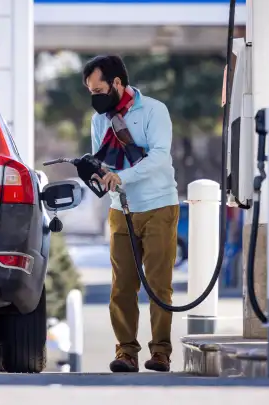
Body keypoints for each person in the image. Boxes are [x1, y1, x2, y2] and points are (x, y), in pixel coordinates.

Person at [83, 55, 179, 373]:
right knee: (122, 285)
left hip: (159, 206)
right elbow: (103, 161)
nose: (95, 97)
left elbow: (160, 158)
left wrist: (122, 176)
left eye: (99, 89)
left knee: (158, 284)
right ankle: (126, 351)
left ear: (118, 84)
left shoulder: (153, 111)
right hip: (120, 208)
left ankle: (161, 352)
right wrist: (96, 173)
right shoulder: (99, 121)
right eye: (90, 92)